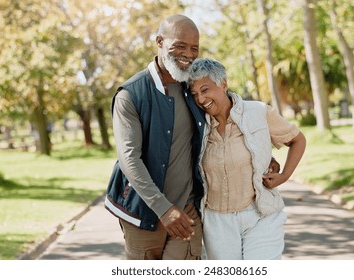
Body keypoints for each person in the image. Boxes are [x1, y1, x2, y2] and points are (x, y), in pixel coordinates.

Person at [104, 15, 279, 260]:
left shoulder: (195, 89)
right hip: (144, 211)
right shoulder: (130, 95)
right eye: (180, 46)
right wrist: (164, 210)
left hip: (188, 209)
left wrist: (261, 155)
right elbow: (129, 159)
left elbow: (230, 113)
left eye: (194, 48)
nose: (188, 54)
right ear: (160, 42)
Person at [188, 58, 306, 260]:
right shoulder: (197, 125)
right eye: (195, 94)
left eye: (205, 89)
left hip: (260, 215)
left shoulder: (258, 112)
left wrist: (284, 175)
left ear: (223, 84)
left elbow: (297, 140)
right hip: (218, 221)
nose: (200, 99)